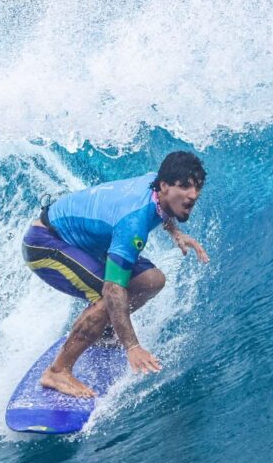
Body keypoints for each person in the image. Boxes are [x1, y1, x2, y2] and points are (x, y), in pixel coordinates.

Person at [21, 151, 209, 398]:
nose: (192, 195)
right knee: (107, 297)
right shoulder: (133, 222)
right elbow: (113, 289)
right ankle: (57, 371)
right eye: (184, 187)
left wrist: (174, 232)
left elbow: (163, 208)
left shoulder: (156, 184)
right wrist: (132, 346)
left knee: (153, 280)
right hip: (46, 243)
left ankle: (104, 332)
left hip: (85, 244)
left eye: (197, 187)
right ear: (164, 185)